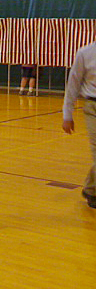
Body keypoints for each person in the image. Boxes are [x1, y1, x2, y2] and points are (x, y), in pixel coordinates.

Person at [62, 42, 96, 209]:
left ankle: (91, 188)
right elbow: (73, 84)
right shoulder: (85, 53)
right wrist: (67, 114)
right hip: (93, 107)